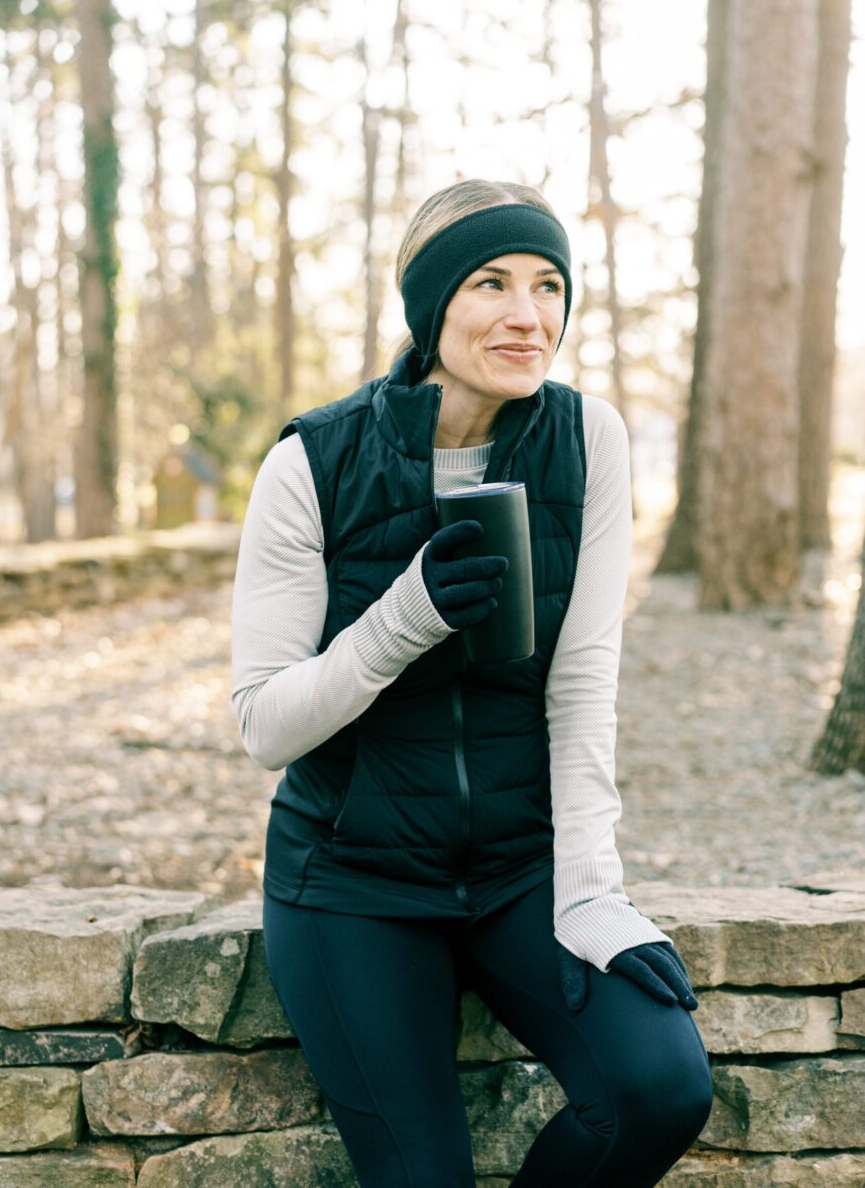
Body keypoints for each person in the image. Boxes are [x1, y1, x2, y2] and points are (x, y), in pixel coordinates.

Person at [230, 178, 713, 1188]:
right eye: (490, 282)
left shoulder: (587, 440)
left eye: (547, 285)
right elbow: (264, 724)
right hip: (350, 881)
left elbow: (582, 684)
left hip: (519, 869)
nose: (527, 315)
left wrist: (592, 894)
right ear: (430, 305)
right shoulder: (312, 461)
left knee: (657, 1087)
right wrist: (402, 619)